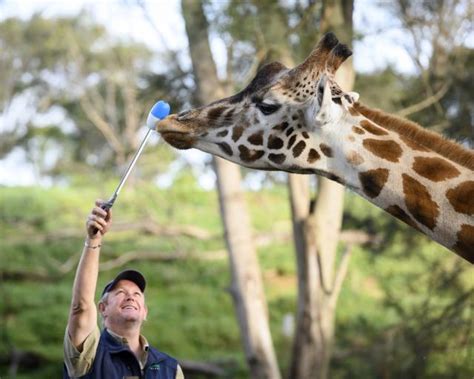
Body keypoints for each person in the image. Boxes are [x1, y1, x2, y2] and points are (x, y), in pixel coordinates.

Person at [63, 199, 184, 378]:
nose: (131, 297)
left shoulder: (170, 368)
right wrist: (94, 239)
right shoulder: (89, 354)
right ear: (102, 308)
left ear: (144, 312)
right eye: (121, 293)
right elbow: (81, 307)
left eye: (137, 294)